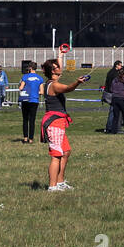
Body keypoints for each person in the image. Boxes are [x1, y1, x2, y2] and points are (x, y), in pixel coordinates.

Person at [41, 57, 90, 192]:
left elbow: (57, 65)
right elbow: (68, 88)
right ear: (53, 70)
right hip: (54, 123)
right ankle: (52, 186)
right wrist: (77, 82)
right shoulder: (54, 85)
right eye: (57, 66)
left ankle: (60, 182)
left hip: (59, 122)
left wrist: (61, 54)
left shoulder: (51, 82)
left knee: (66, 152)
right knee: (56, 155)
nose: (60, 67)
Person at [18, 61, 44, 144]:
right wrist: (35, 92)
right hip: (34, 100)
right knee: (32, 120)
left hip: (26, 99)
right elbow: (42, 92)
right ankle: (31, 139)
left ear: (30, 68)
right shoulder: (40, 78)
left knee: (25, 119)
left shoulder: (25, 77)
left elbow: (21, 88)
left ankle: (25, 138)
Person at [107, 66, 124, 135]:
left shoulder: (114, 80)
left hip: (115, 98)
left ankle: (113, 130)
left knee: (115, 116)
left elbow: (111, 89)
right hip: (122, 98)